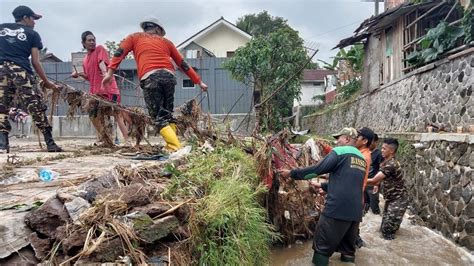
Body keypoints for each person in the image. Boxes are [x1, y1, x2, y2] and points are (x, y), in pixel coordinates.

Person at [102, 16, 208, 151]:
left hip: (151, 78)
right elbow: (182, 64)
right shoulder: (167, 42)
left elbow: (119, 52)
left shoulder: (134, 37)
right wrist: (199, 82)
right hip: (169, 77)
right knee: (167, 114)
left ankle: (175, 147)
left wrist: (110, 73)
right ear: (157, 29)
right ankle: (171, 146)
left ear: (145, 28)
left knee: (158, 117)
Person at [280, 127, 366, 265]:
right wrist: (324, 187)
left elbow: (316, 170)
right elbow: (348, 182)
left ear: (347, 139)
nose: (336, 142)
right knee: (348, 251)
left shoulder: (339, 152)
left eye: (339, 138)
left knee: (321, 248)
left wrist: (292, 173)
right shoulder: (361, 158)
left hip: (336, 210)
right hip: (355, 213)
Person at [0, 5, 62, 153]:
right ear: (25, 18)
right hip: (21, 71)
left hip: (1, 70)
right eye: (33, 19)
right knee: (35, 105)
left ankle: (2, 144)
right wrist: (46, 82)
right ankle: (50, 143)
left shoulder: (1, 28)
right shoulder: (32, 34)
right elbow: (35, 61)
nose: (35, 22)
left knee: (1, 106)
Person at [72, 31, 130, 146]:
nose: (92, 42)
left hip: (109, 88)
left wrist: (105, 74)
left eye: (93, 40)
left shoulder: (100, 49)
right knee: (94, 114)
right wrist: (78, 74)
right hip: (96, 92)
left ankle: (127, 140)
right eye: (89, 40)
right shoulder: (85, 60)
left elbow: (102, 63)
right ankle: (105, 138)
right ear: (83, 43)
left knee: (117, 114)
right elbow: (90, 77)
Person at [367, 138, 408, 240]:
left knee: (388, 231)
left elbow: (373, 180)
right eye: (382, 148)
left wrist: (356, 178)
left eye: (384, 149)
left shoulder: (391, 164)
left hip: (398, 200)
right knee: (384, 229)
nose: (381, 150)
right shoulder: (386, 162)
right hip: (392, 199)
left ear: (392, 151)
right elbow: (382, 178)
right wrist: (377, 185)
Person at [364, 133, 383, 214]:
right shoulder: (365, 152)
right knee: (364, 205)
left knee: (374, 206)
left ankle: (377, 216)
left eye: (371, 142)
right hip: (364, 183)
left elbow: (381, 169)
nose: (369, 144)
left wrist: (377, 184)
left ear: (376, 142)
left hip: (373, 185)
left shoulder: (378, 154)